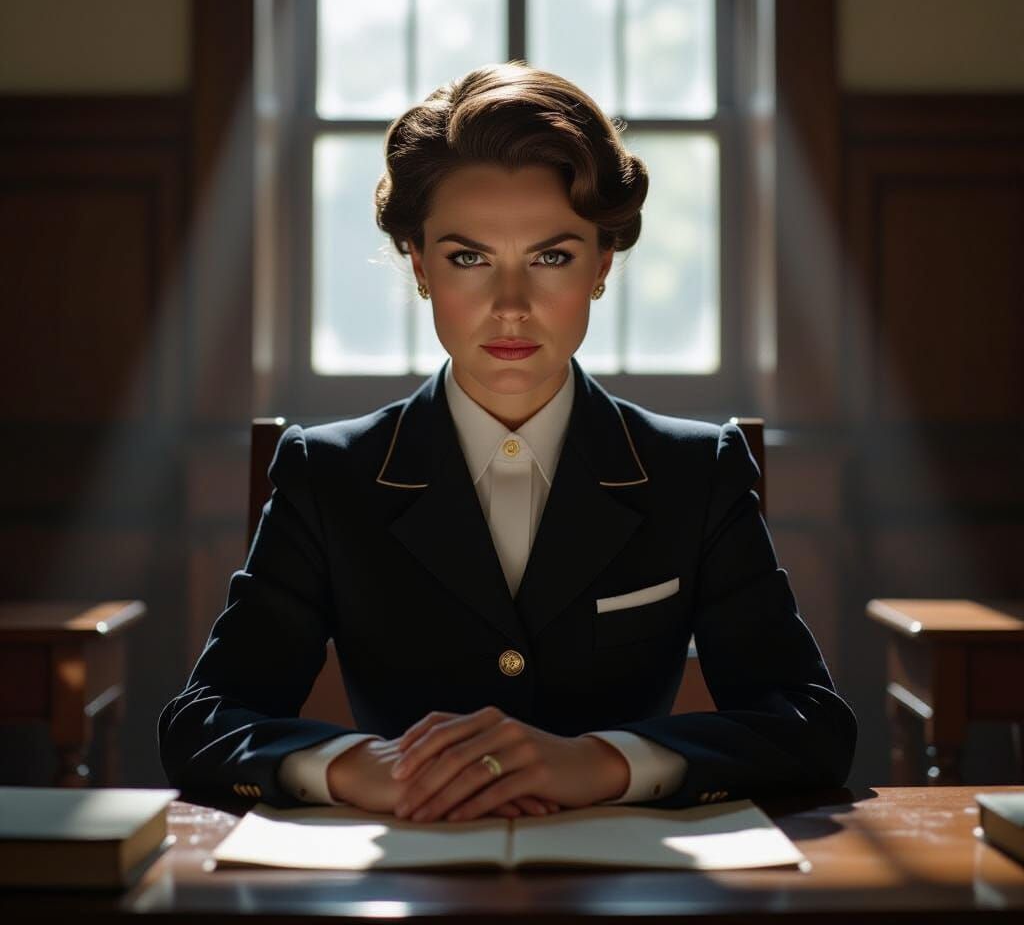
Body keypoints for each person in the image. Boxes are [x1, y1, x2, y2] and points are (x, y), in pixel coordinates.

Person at [158, 60, 857, 825]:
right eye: (469, 259)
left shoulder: (696, 471)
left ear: (602, 265)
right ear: (420, 268)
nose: (512, 306)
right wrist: (359, 769)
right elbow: (204, 720)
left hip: (634, 884)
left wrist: (603, 761)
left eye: (552, 257)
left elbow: (810, 724)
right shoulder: (329, 475)